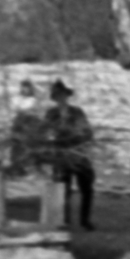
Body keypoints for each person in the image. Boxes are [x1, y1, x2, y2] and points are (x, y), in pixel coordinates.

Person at [39, 80, 97, 229]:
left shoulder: (77, 112)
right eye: (58, 95)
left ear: (66, 96)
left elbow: (87, 131)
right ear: (55, 97)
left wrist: (79, 136)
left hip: (78, 154)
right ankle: (64, 221)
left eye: (63, 94)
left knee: (87, 188)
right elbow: (44, 133)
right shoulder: (51, 114)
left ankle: (85, 220)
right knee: (62, 189)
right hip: (61, 156)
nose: (61, 98)